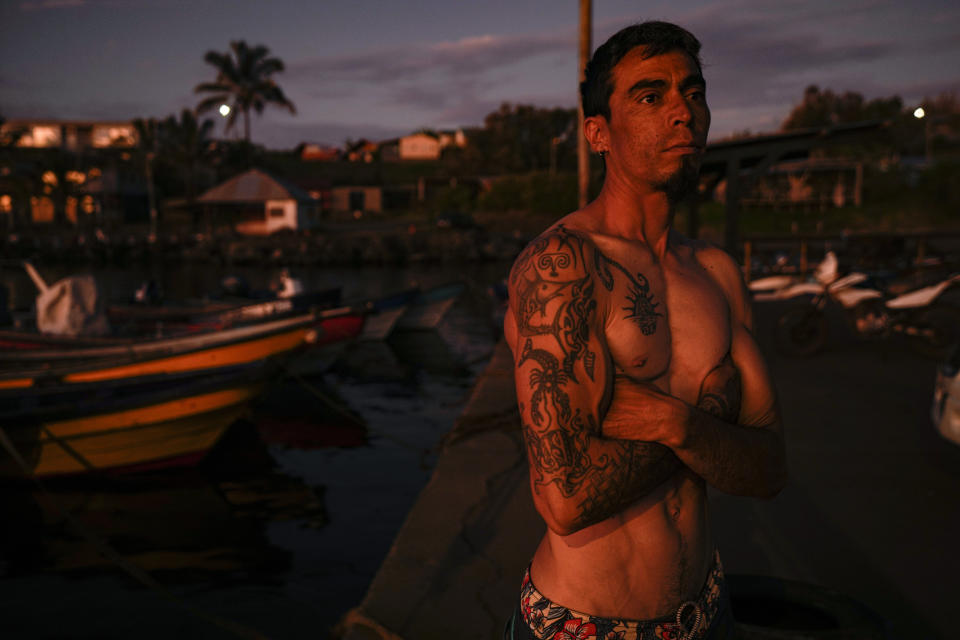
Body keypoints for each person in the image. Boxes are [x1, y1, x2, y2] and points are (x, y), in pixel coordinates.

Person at [503, 21, 786, 640]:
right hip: (581, 627)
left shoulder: (718, 274)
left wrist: (677, 421)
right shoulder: (563, 268)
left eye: (694, 91)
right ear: (598, 133)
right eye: (651, 96)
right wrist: (712, 422)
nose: (683, 113)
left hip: (707, 615)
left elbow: (768, 469)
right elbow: (566, 499)